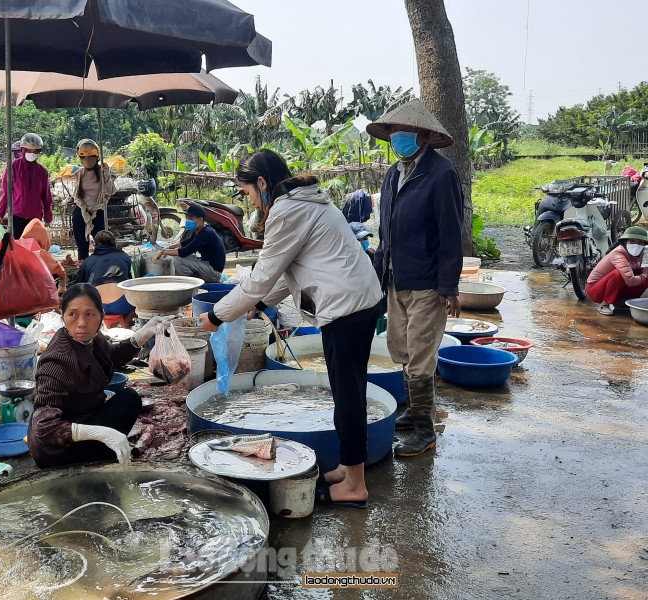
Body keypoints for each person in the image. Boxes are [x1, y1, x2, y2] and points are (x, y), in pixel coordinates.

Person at [199, 149, 382, 508]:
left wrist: (219, 315)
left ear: (263, 183)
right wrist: (262, 304)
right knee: (350, 390)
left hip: (345, 309)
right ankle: (349, 467)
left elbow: (262, 275)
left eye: (249, 192)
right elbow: (290, 270)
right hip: (359, 301)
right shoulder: (306, 201)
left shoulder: (287, 210)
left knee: (347, 395)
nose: (250, 200)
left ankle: (355, 485)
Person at [367, 98, 463, 458]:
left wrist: (448, 286)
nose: (396, 138)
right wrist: (379, 275)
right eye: (392, 132)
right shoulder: (394, 173)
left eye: (402, 132)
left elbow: (451, 232)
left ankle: (425, 431)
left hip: (426, 281)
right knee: (403, 350)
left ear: (422, 135)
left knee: (422, 356)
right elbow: (385, 232)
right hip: (396, 276)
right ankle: (416, 410)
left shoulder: (441, 173)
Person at [27, 284, 171, 468]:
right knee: (115, 425)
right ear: (63, 317)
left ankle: (102, 449)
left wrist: (142, 334)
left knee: (130, 399)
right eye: (73, 314)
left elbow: (111, 356)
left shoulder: (93, 338)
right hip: (56, 448)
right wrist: (103, 434)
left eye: (90, 314)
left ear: (101, 316)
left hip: (84, 415)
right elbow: (45, 427)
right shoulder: (56, 363)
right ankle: (97, 455)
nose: (81, 323)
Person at [0, 133, 53, 239]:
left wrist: (48, 216)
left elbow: (46, 196)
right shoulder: (13, 167)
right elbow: (5, 191)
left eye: (35, 151)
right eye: (29, 150)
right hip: (17, 214)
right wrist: (0, 211)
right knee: (17, 246)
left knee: (32, 247)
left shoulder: (42, 172)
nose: (32, 153)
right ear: (22, 150)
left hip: (35, 217)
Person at [155, 204, 225, 283]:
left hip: (214, 273)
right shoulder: (199, 230)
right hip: (207, 265)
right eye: (187, 218)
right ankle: (197, 278)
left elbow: (184, 252)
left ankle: (193, 282)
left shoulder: (206, 234)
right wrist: (169, 247)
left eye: (191, 218)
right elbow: (186, 242)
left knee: (178, 260)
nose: (188, 221)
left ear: (200, 219)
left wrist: (163, 252)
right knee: (184, 256)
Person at [586, 226, 648, 315]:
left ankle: (622, 302)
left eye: (639, 242)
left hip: (615, 286)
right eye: (632, 241)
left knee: (642, 275)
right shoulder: (618, 253)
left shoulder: (641, 253)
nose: (636, 245)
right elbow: (630, 280)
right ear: (625, 242)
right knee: (618, 274)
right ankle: (604, 304)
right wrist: (644, 275)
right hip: (595, 289)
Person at [72, 139, 114, 260]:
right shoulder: (79, 174)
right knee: (81, 241)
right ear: (80, 158)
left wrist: (107, 174)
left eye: (91, 157)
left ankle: (101, 261)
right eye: (84, 158)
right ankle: (83, 262)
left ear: (96, 157)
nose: (88, 161)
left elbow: (110, 191)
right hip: (82, 209)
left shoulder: (103, 172)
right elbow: (77, 195)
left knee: (101, 241)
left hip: (98, 209)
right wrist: (83, 208)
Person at [75, 230, 135, 315]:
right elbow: (130, 282)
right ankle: (128, 320)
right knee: (148, 278)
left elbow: (77, 286)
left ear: (95, 245)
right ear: (115, 243)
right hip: (121, 305)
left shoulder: (88, 261)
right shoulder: (124, 257)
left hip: (96, 307)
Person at [20, 218, 67, 297]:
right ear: (44, 238)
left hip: (10, 296)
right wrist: (62, 287)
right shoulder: (41, 254)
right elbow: (61, 272)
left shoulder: (14, 248)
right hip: (35, 297)